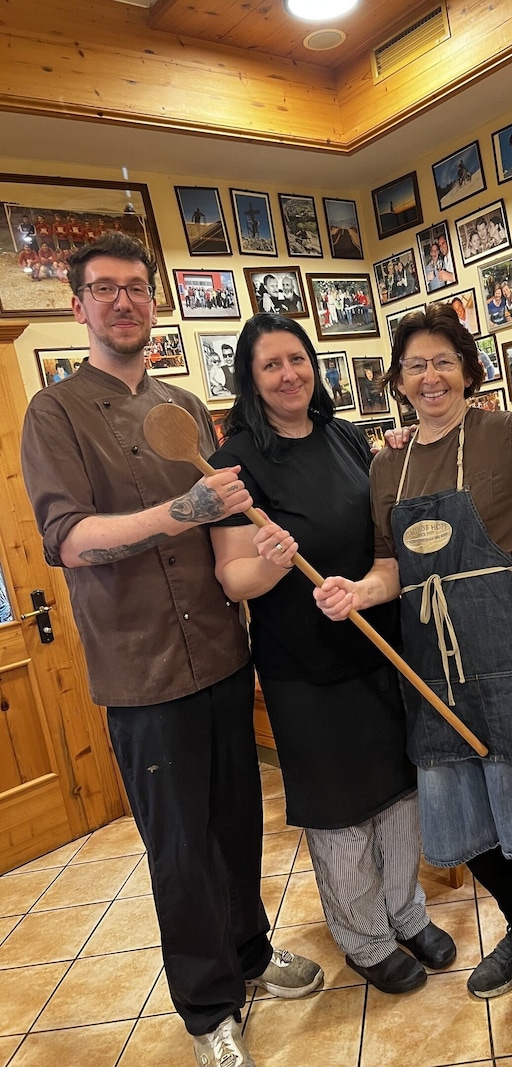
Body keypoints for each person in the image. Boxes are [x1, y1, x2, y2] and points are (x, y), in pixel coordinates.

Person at [20, 233, 323, 1067]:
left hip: (224, 655)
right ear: (79, 306)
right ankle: (207, 1005)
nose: (124, 301)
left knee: (236, 826)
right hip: (142, 676)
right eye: (105, 289)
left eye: (137, 289)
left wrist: (259, 549)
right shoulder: (54, 412)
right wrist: (177, 511)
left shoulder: (185, 407)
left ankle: (252, 956)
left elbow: (223, 530)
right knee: (180, 849)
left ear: (153, 303)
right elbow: (71, 540)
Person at [314, 304, 512, 1042]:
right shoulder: (387, 462)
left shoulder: (502, 433)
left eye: (443, 361)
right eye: (415, 366)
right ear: (397, 381)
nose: (430, 376)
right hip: (430, 663)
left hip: (511, 653)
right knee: (463, 814)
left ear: (468, 369)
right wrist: (357, 592)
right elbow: (390, 566)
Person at [206, 313, 455, 996]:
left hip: (378, 645)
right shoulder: (237, 461)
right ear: (250, 379)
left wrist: (398, 448)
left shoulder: (345, 436)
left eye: (297, 358)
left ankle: (406, 913)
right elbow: (233, 578)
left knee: (399, 793)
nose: (289, 374)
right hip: (304, 668)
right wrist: (275, 562)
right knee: (341, 811)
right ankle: (365, 936)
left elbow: (378, 517)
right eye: (270, 365)